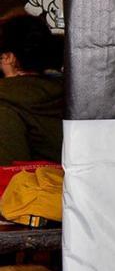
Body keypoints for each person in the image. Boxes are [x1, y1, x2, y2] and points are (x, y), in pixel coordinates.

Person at [0, 14, 64, 166]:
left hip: (25, 187)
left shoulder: (6, 104)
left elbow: (7, 176)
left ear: (8, 57)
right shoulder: (65, 94)